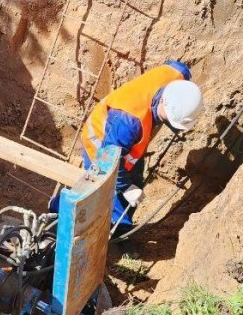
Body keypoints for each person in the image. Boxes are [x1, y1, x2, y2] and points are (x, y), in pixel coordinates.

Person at [79, 61, 203, 236]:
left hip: (126, 143)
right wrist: (125, 187)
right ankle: (65, 221)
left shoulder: (177, 75)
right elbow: (108, 159)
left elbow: (180, 68)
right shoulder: (129, 122)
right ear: (162, 102)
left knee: (134, 180)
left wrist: (131, 185)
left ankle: (120, 231)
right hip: (100, 143)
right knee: (96, 191)